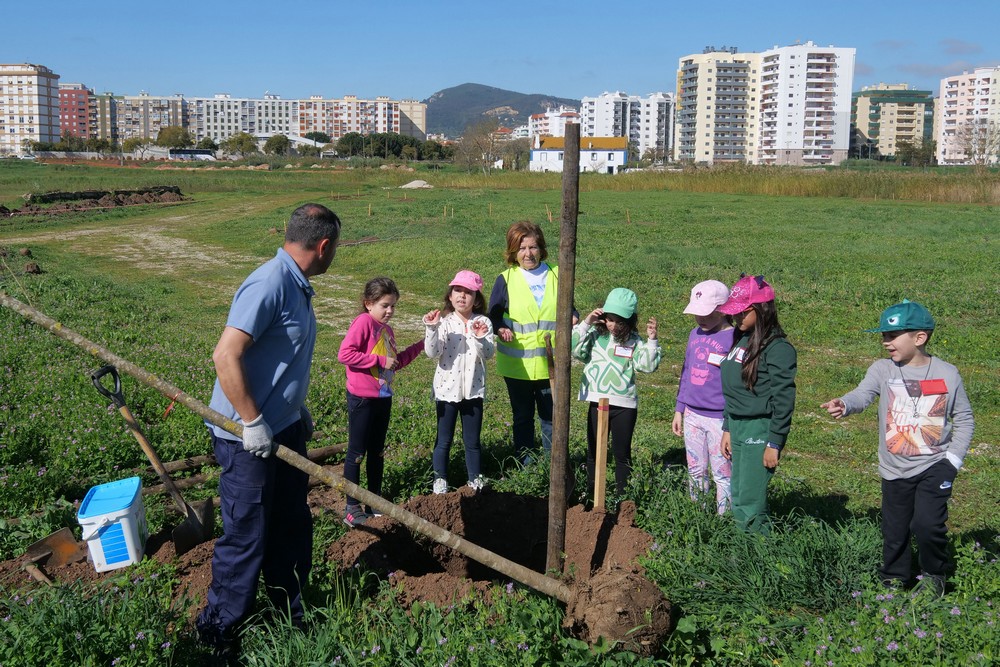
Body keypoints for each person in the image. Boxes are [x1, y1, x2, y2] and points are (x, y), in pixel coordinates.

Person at [196, 203, 341, 656]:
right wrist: (254, 422)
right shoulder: (270, 283)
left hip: (283, 427)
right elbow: (226, 356)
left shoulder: (297, 285)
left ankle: (289, 612)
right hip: (247, 439)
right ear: (323, 246)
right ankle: (218, 632)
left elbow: (278, 359)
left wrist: (295, 410)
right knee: (247, 534)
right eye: (336, 247)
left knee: (290, 523)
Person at [821, 300, 974, 594]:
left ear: (920, 338)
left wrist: (952, 461)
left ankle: (933, 577)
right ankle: (893, 579)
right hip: (894, 469)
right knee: (895, 530)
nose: (886, 342)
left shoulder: (947, 374)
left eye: (892, 336)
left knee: (928, 526)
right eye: (883, 336)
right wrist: (845, 403)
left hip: (935, 465)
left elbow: (964, 418)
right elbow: (862, 394)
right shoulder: (882, 370)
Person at [338, 277, 424, 527]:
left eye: (393, 306)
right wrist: (377, 360)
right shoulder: (364, 322)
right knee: (356, 452)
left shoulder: (387, 330)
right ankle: (351, 507)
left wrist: (421, 345)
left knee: (377, 452)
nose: (390, 311)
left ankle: (374, 500)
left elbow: (395, 363)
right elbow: (345, 353)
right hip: (362, 398)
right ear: (368, 303)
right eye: (385, 305)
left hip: (382, 397)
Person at [718, 274, 796, 533]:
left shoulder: (778, 348)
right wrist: (728, 427)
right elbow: (733, 390)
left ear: (761, 309)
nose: (737, 317)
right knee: (738, 494)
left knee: (751, 501)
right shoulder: (743, 338)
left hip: (758, 428)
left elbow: (784, 399)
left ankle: (758, 556)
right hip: (738, 426)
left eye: (743, 312)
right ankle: (743, 551)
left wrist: (774, 442)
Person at [572, 288, 660, 504]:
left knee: (622, 454)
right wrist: (586, 322)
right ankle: (591, 496)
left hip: (624, 405)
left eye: (617, 321)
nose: (611, 325)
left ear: (629, 321)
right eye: (609, 319)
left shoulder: (635, 342)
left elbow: (647, 366)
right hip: (597, 401)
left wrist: (652, 341)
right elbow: (574, 349)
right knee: (593, 451)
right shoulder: (595, 335)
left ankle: (624, 500)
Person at [488, 221, 564, 462]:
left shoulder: (557, 273)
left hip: (549, 363)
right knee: (522, 416)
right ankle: (526, 465)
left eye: (532, 247)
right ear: (513, 252)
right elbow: (494, 316)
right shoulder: (506, 279)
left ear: (541, 248)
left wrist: (572, 316)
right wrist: (500, 328)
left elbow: (568, 307)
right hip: (517, 366)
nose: (528, 254)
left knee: (550, 417)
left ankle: (552, 465)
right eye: (521, 248)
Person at [422, 270, 495, 494]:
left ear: (477, 298)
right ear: (450, 296)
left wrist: (481, 337)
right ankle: (440, 479)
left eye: (468, 292)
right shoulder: (444, 323)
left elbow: (489, 353)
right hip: (446, 391)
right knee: (444, 440)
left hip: (473, 391)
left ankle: (475, 479)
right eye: (457, 291)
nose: (462, 296)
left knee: (472, 442)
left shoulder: (482, 322)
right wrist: (432, 329)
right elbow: (432, 352)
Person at [672, 280, 734, 514]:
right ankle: (697, 516)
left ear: (723, 309)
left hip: (720, 418)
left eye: (706, 313)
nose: (700, 319)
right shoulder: (694, 334)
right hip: (692, 415)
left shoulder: (734, 339)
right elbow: (687, 371)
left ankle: (723, 521)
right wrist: (680, 408)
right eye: (697, 313)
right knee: (696, 469)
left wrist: (730, 420)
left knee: (723, 473)